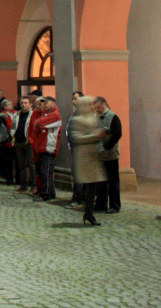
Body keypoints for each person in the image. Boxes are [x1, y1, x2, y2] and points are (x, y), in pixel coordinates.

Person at [68, 96, 106, 226]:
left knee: (93, 187)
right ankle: (88, 213)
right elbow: (75, 137)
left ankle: (89, 213)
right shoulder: (77, 119)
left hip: (93, 155)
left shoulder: (92, 117)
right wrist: (94, 136)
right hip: (84, 156)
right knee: (89, 186)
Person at [93, 97, 122, 213]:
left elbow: (117, 133)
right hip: (99, 154)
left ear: (105, 104)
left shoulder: (112, 117)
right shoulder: (96, 117)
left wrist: (106, 146)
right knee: (101, 181)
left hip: (110, 154)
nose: (97, 109)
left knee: (113, 181)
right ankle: (101, 203)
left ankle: (114, 205)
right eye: (95, 108)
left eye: (99, 107)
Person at [32, 97, 62, 202]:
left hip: (48, 146)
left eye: (46, 102)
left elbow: (39, 123)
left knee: (46, 172)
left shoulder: (55, 115)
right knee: (45, 171)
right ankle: (51, 193)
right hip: (42, 146)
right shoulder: (47, 114)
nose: (44, 105)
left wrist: (39, 124)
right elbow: (36, 126)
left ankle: (46, 194)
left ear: (53, 103)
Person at [11, 96, 36, 194]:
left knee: (31, 165)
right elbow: (13, 127)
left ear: (30, 104)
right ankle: (23, 185)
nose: (23, 105)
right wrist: (12, 136)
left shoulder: (32, 115)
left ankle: (34, 186)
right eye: (22, 103)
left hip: (28, 142)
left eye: (25, 103)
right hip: (18, 141)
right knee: (21, 165)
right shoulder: (17, 115)